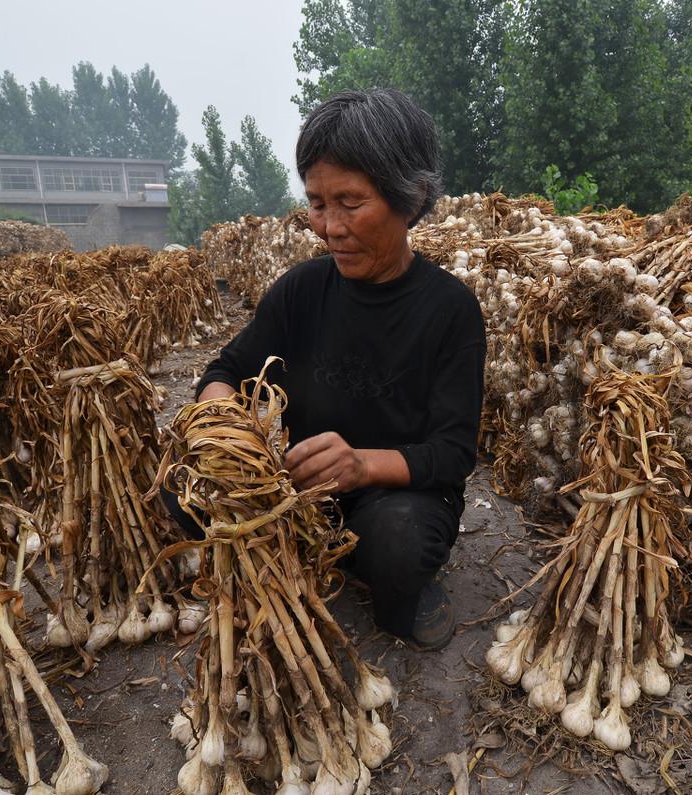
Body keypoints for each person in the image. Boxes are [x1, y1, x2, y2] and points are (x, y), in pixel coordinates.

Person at [164, 89, 486, 651]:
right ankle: (309, 555)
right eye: (317, 203)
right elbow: (227, 370)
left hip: (394, 495)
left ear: (410, 197)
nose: (329, 226)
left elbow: (453, 453)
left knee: (398, 543)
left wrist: (361, 465)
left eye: (350, 202)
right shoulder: (302, 290)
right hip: (296, 486)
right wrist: (222, 430)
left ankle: (377, 573)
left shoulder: (451, 310)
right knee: (178, 484)